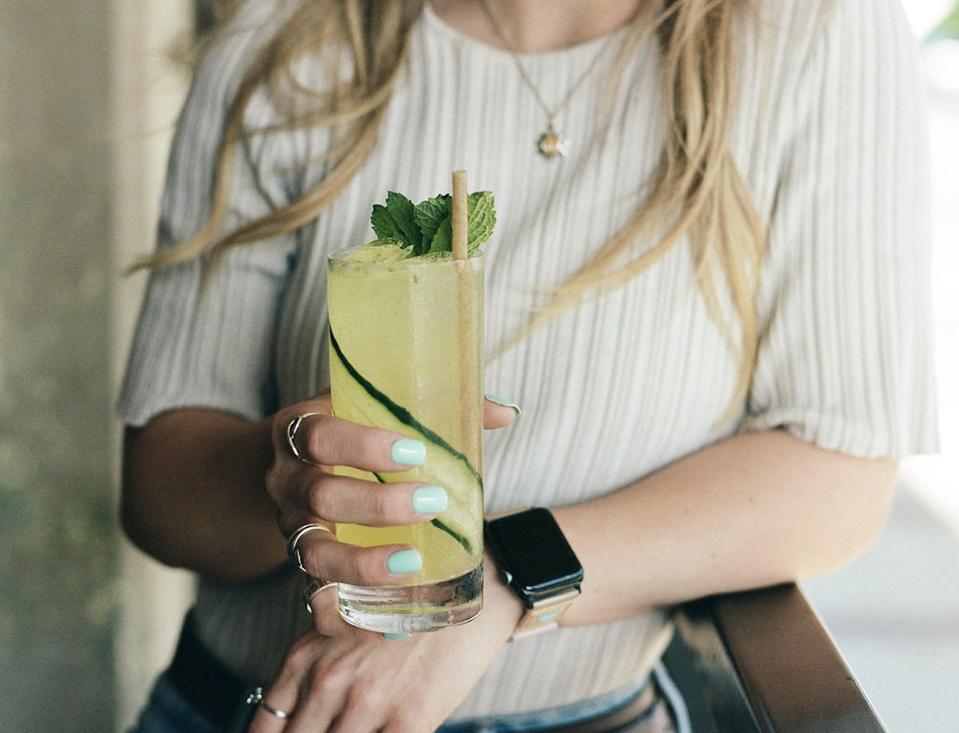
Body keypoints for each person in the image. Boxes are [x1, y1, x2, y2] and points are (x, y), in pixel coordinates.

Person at [119, 0, 938, 731]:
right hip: (244, 710)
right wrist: (282, 469)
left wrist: (502, 581)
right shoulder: (288, 37)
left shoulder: (811, 29)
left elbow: (838, 477)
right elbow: (159, 494)